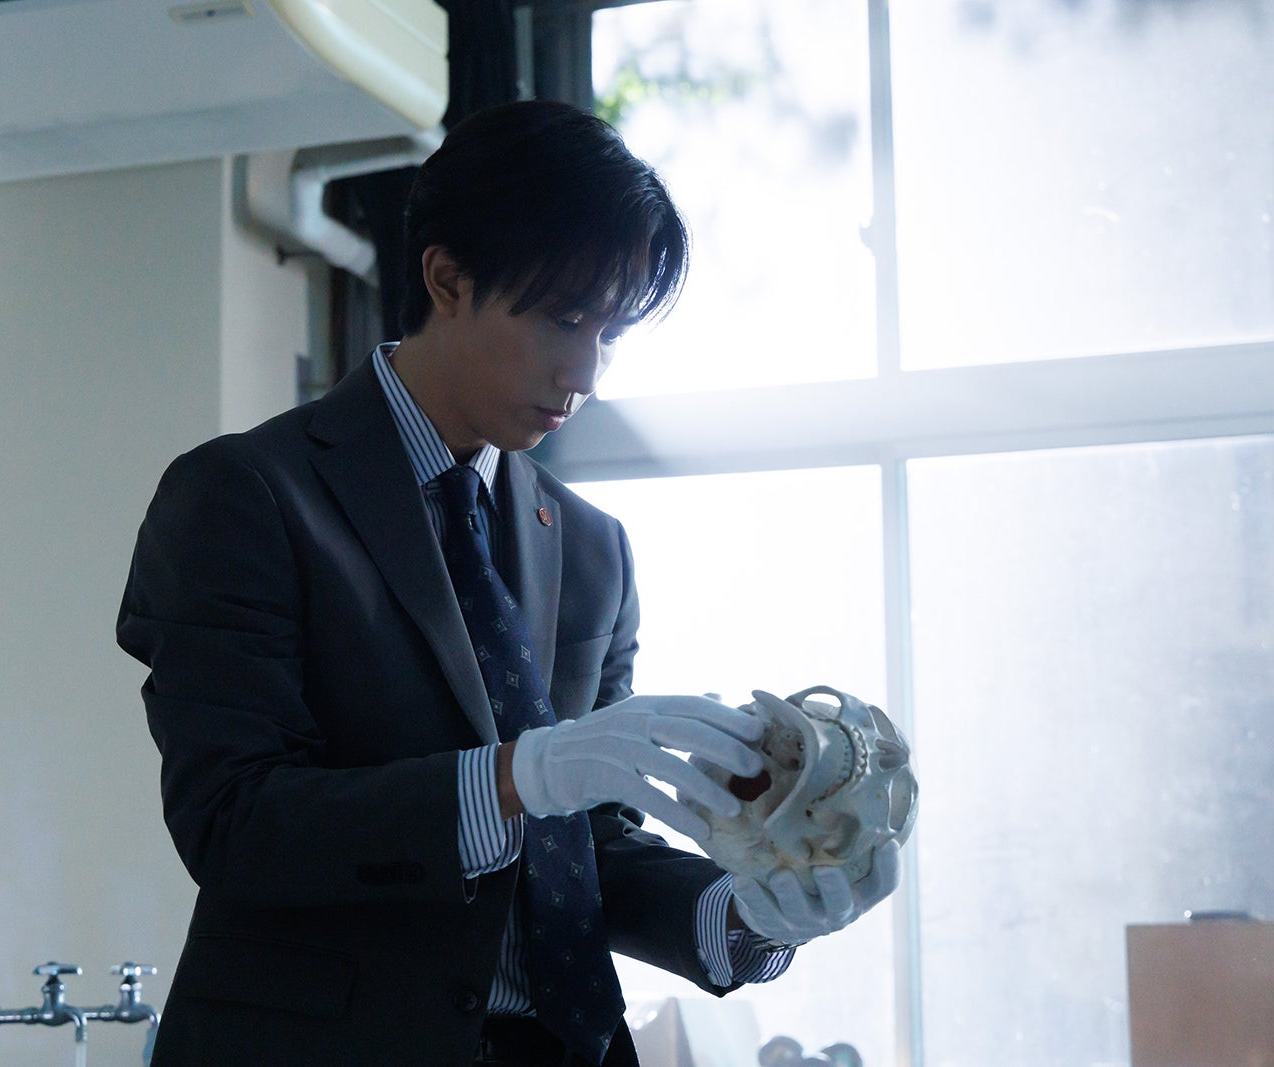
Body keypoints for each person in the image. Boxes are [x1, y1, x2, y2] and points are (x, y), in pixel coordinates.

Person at [116, 100, 896, 1067]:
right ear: (448, 278)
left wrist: (749, 913)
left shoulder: (593, 549)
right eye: (565, 318)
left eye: (611, 331)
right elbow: (236, 823)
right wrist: (520, 777)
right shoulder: (246, 495)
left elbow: (590, 847)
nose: (586, 372)